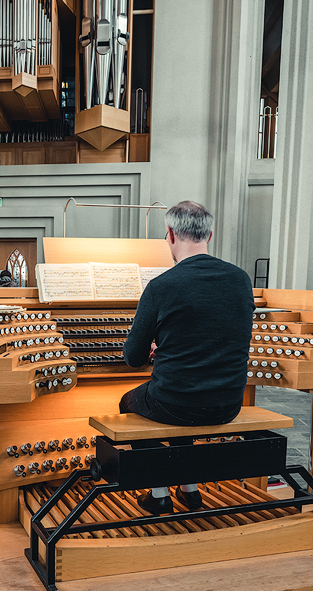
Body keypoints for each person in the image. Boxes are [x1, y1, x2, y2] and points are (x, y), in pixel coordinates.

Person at [119, 200, 254, 515]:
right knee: (184, 398)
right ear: (210, 234)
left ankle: (159, 493)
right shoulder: (240, 279)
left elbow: (133, 358)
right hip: (229, 404)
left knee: (131, 402)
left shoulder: (161, 286)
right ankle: (190, 488)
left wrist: (158, 348)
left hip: (176, 404)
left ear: (170, 235)